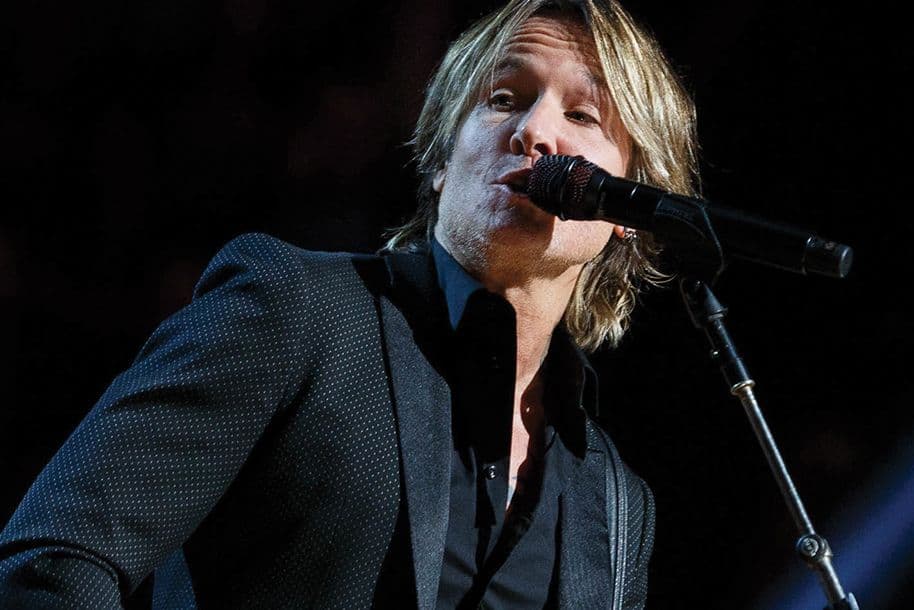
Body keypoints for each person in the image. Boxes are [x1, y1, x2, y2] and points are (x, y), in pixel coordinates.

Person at [0, 0, 699, 607]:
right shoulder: (295, 310)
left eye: (582, 113)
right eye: (503, 98)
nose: (535, 132)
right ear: (440, 161)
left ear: (632, 205)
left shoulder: (615, 499)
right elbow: (55, 561)